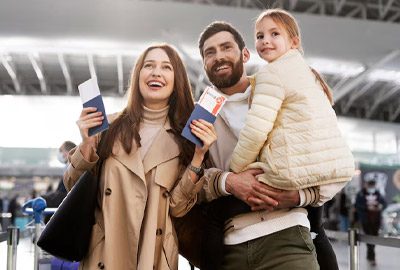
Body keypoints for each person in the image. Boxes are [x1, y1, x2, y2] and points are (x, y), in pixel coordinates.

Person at [193, 18, 352, 270]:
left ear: (245, 54)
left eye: (226, 48)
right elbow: (188, 186)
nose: (218, 56)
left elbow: (330, 159)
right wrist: (228, 181)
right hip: (232, 242)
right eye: (209, 53)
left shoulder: (281, 86)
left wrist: (300, 195)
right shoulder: (200, 116)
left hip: (288, 235)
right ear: (203, 64)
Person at [63, 43, 216, 270]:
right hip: (105, 255)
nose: (156, 72)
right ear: (138, 76)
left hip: (154, 257)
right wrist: (87, 145)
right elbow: (72, 186)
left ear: (177, 81)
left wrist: (198, 157)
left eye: (166, 67)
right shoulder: (108, 127)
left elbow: (177, 208)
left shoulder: (186, 138)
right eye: (149, 65)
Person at [355, 179, 387, 266]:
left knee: (374, 237)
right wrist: (367, 208)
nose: (371, 188)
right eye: (370, 186)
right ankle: (372, 257)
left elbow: (384, 203)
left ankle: (370, 256)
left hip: (376, 220)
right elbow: (357, 205)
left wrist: (380, 207)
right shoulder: (361, 194)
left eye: (373, 186)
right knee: (369, 237)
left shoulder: (378, 193)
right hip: (366, 220)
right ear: (366, 185)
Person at [43, 141, 76, 214]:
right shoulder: (68, 169)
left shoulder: (74, 169)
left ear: (68, 152)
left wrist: (44, 198)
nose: (59, 154)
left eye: (61, 150)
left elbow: (63, 194)